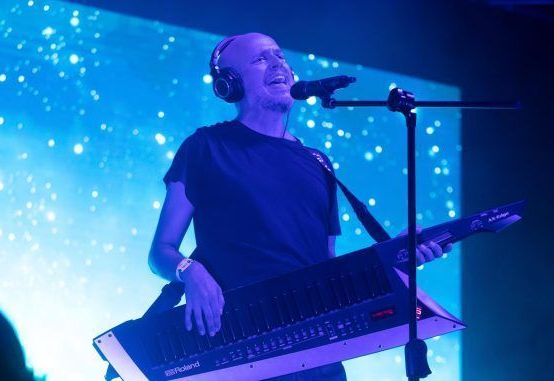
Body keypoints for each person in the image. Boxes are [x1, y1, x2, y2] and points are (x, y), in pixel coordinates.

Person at [148, 32, 449, 380]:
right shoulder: (206, 146)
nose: (278, 64)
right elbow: (161, 251)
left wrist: (397, 259)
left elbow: (329, 272)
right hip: (236, 348)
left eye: (280, 57)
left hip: (317, 356)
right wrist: (191, 272)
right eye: (261, 59)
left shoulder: (318, 162)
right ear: (228, 85)